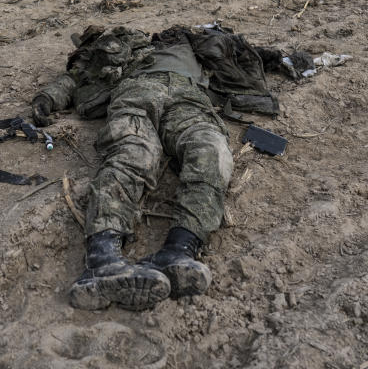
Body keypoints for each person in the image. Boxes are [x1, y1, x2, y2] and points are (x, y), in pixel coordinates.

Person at [31, 24, 308, 311]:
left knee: (211, 149)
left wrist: (282, 59)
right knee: (134, 154)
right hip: (135, 94)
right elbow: (75, 77)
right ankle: (102, 260)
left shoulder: (191, 45)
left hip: (189, 97)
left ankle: (180, 250)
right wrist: (47, 99)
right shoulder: (118, 53)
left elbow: (240, 52)